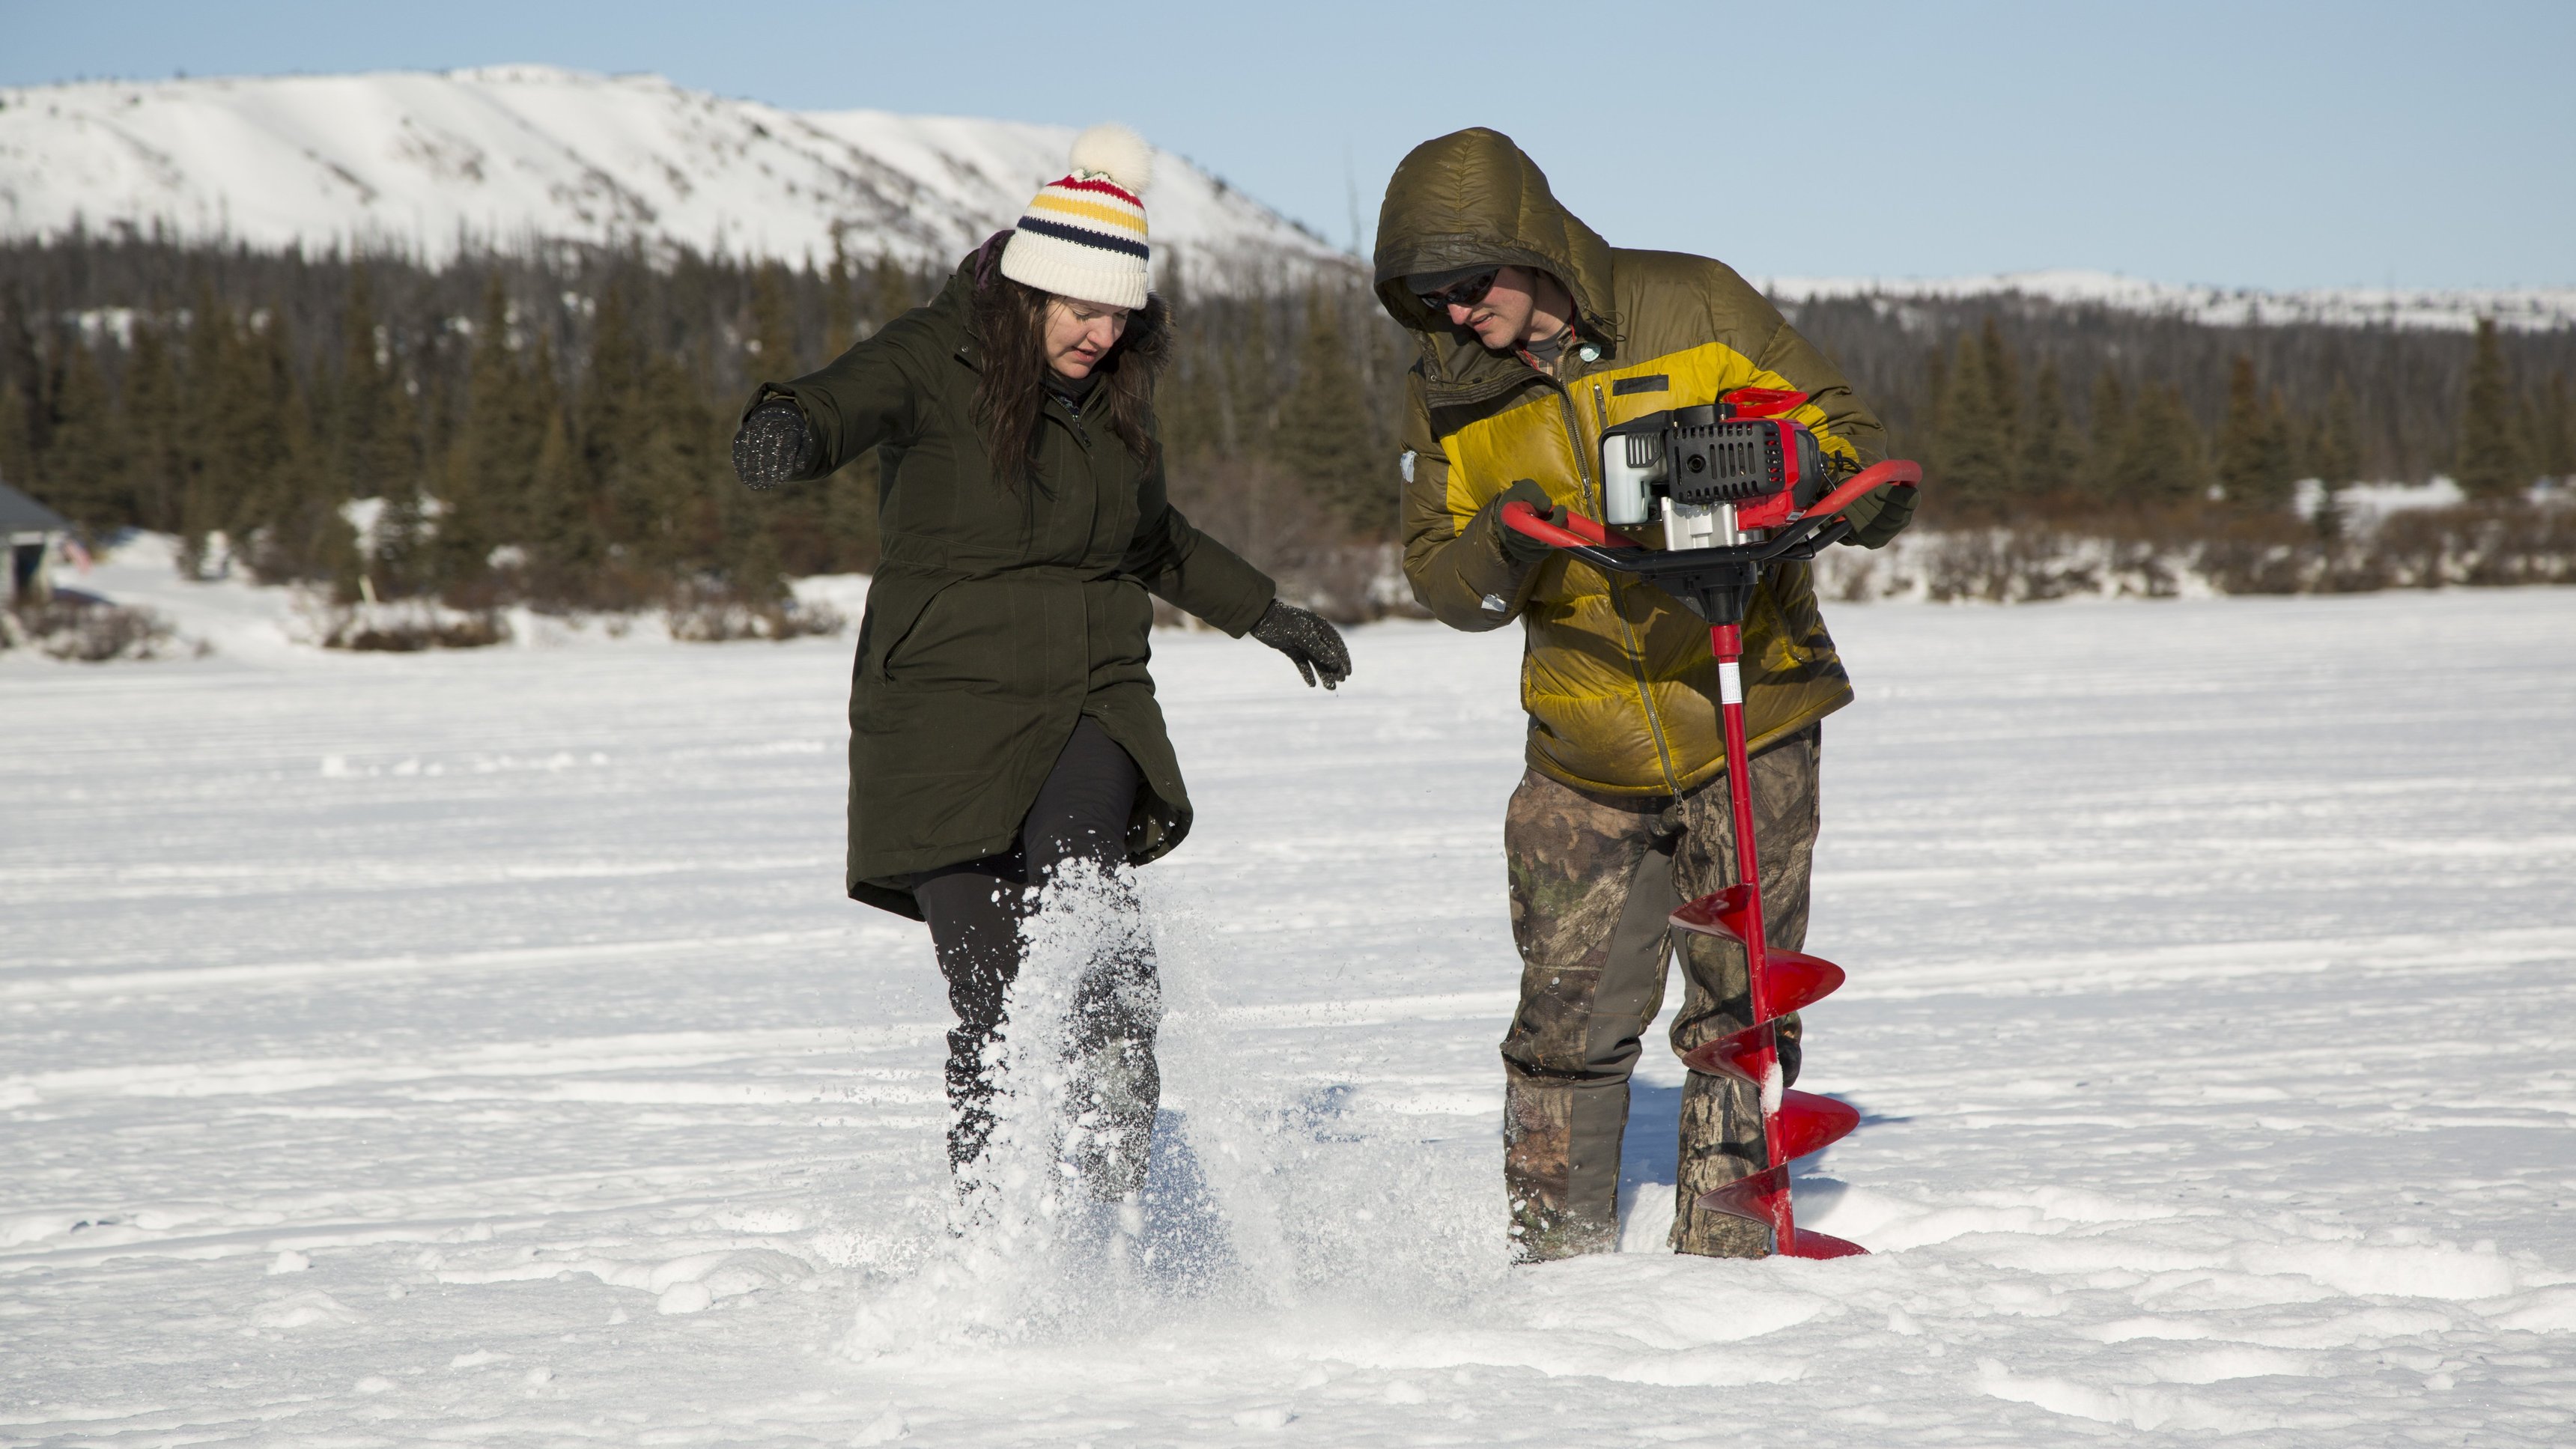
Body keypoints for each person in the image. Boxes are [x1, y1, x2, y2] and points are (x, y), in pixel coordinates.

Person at [732, 124, 1352, 1207]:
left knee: (1095, 923)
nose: (1100, 335)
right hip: (939, 709)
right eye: (1081, 310)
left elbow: (1152, 540)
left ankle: (1112, 1191)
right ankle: (997, 1236)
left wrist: (1268, 613)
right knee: (994, 992)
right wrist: (786, 424)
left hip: (1085, 694)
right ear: (1029, 294)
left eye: (1119, 315)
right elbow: (842, 398)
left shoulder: (1117, 396)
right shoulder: (935, 355)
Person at [1370, 128, 1913, 1261]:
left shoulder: (1694, 304)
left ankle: (1728, 1259)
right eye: (1428, 297)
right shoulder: (1449, 395)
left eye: (1470, 285)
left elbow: (1849, 441)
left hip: (1749, 709)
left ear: (1532, 245)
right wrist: (1506, 539)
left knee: (1742, 1015)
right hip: (1584, 749)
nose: (1455, 314)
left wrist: (1801, 472)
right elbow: (1438, 578)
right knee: (1564, 1025)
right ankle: (1553, 1269)